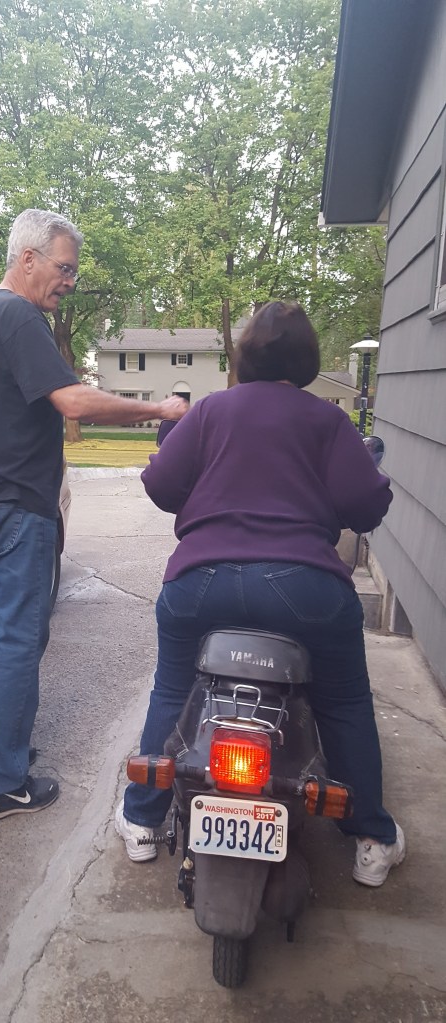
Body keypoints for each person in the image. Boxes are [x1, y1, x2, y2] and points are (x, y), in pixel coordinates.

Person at [116, 300, 405, 887]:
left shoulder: (210, 411)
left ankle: (143, 821)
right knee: (343, 703)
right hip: (304, 589)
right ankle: (372, 839)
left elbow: (161, 487)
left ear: (244, 356)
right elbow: (366, 506)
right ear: (307, 361)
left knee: (173, 691)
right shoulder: (327, 420)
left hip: (200, 584)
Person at [0, 208, 187, 822]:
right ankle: (1, 784)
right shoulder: (17, 315)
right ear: (28, 258)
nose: (70, 281)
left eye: (74, 272)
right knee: (18, 639)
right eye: (64, 267)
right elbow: (74, 401)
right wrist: (160, 410)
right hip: (17, 505)